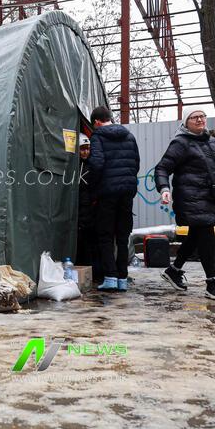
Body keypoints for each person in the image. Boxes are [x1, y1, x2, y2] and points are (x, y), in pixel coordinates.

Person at [155, 108, 215, 300]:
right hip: (188, 197)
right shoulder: (180, 143)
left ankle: (174, 270)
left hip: (208, 196)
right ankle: (211, 282)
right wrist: (164, 189)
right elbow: (162, 168)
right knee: (206, 231)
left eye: (202, 116)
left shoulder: (213, 141)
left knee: (196, 235)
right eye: (194, 117)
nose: (200, 119)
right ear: (186, 122)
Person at [87, 106, 140, 291]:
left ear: (96, 122)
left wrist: (92, 187)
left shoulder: (98, 136)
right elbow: (136, 164)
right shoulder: (129, 136)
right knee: (123, 236)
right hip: (127, 192)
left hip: (107, 193)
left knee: (106, 235)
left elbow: (97, 163)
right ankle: (123, 279)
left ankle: (110, 277)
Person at [76, 134, 102, 283]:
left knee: (91, 244)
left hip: (90, 211)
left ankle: (94, 274)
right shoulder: (75, 167)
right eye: (82, 149)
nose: (85, 152)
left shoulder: (92, 166)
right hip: (81, 211)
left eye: (87, 149)